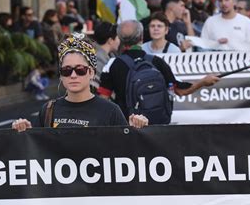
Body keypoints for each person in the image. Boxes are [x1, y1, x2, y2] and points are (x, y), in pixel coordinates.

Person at [12, 33, 148, 131]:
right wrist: (25, 132)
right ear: (61, 75)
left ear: (91, 73)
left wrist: (137, 129)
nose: (73, 75)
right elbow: (36, 152)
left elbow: (125, 154)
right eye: (66, 70)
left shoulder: (111, 111)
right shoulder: (48, 110)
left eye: (80, 70)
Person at [98, 20, 220, 120]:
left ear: (119, 38)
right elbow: (181, 91)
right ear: (141, 37)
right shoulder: (156, 61)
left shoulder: (112, 64)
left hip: (128, 126)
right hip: (157, 127)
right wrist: (203, 82)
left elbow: (103, 100)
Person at [91, 22, 120, 90]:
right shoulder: (97, 59)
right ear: (110, 40)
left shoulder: (110, 56)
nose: (119, 40)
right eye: (118, 37)